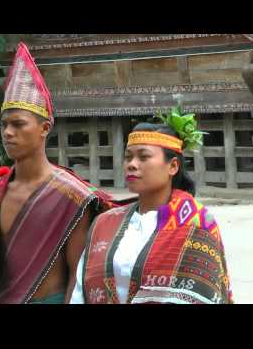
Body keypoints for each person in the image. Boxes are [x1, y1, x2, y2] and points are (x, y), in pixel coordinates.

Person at [0, 42, 113, 304]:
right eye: (4, 124)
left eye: (18, 124)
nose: (7, 133)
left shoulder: (73, 196)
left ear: (44, 128)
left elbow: (78, 276)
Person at [70, 107, 233, 304]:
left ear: (173, 166)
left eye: (144, 157)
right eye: (128, 157)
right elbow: (80, 290)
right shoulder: (104, 223)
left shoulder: (197, 223)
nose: (132, 164)